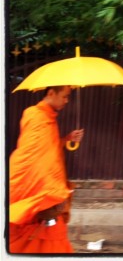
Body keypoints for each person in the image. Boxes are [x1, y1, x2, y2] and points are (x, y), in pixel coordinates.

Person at [9, 86, 84, 253]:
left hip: (46, 187)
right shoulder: (35, 115)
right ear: (51, 93)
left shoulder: (49, 117)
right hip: (35, 186)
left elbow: (48, 148)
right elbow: (33, 154)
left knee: (49, 235)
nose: (67, 100)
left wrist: (68, 138)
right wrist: (47, 190)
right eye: (65, 96)